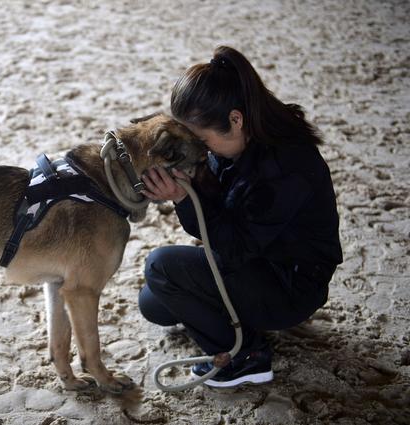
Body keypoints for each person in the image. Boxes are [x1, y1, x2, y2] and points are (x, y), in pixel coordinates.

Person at [138, 46, 343, 388]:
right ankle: (242, 320)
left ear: (235, 119)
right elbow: (217, 220)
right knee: (153, 303)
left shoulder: (286, 168)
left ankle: (246, 357)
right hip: (255, 261)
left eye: (202, 140)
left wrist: (182, 199)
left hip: (289, 286)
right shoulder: (239, 140)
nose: (199, 150)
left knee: (161, 267)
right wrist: (186, 189)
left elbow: (231, 247)